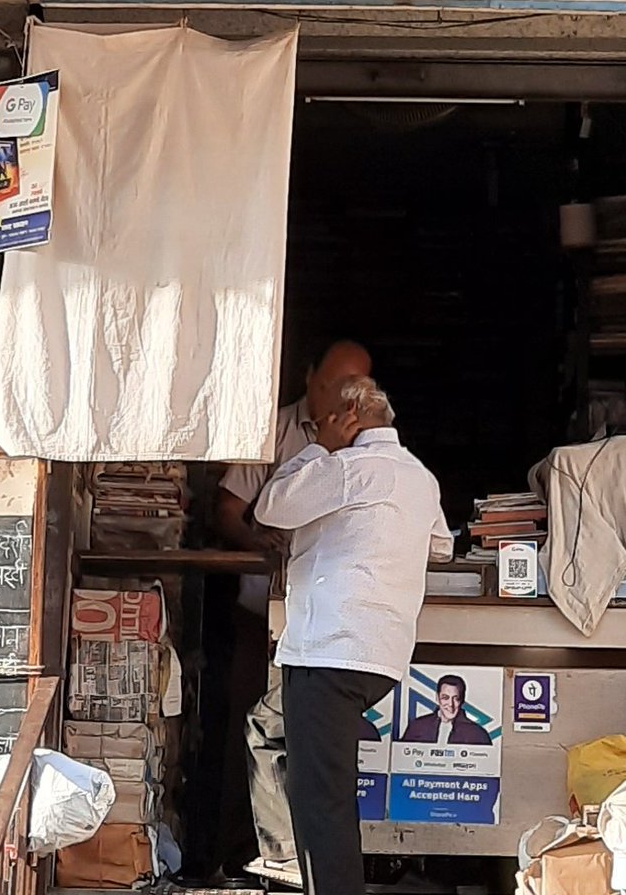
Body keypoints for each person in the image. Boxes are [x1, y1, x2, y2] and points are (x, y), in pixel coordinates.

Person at [254, 377, 453, 895]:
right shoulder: (420, 478)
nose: (315, 431)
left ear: (348, 419)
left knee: (323, 799)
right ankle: (292, 866)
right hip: (381, 658)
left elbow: (269, 506)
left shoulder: (343, 468)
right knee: (311, 769)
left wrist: (320, 449)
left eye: (320, 422)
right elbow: (440, 548)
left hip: (329, 649)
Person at [214, 341, 372, 883]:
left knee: (297, 742)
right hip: (262, 610)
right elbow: (230, 509)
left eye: (357, 388)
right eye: (334, 385)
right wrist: (264, 539)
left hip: (328, 625)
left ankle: (297, 862)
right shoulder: (274, 431)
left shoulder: (371, 445)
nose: (344, 399)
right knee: (253, 728)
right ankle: (243, 853)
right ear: (309, 378)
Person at [400, 674, 493, 746]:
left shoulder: (478, 734)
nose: (450, 704)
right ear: (437, 698)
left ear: (462, 700)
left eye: (455, 698)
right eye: (445, 698)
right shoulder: (417, 727)